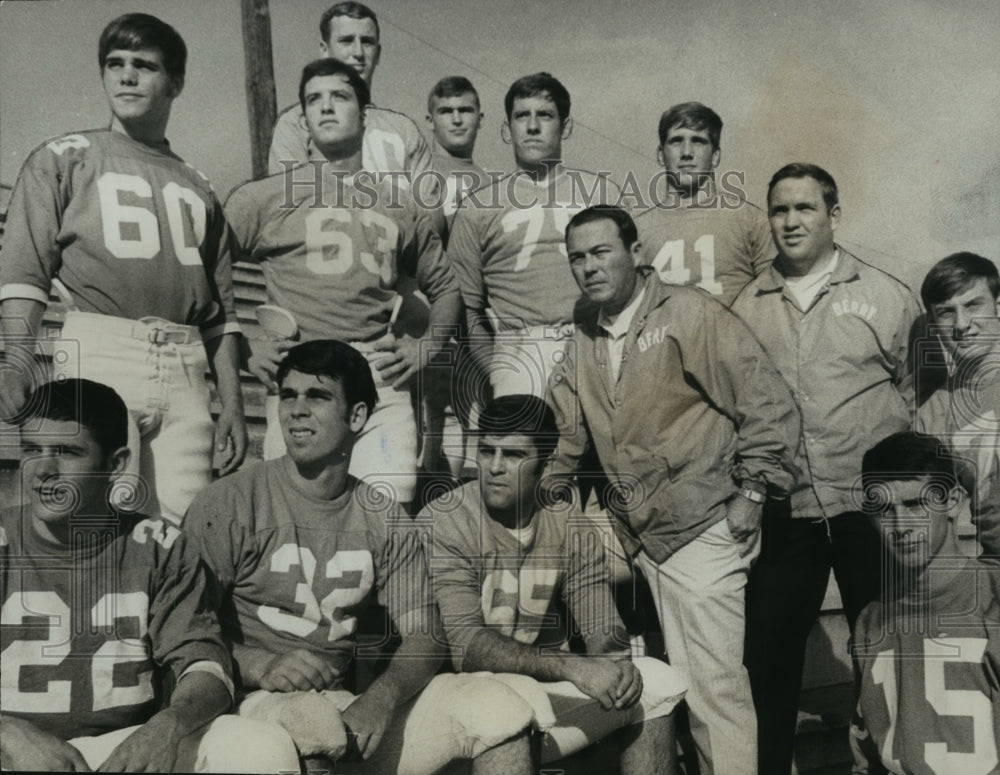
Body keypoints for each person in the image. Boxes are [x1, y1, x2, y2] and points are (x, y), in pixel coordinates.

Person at [185, 340, 556, 773]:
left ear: (358, 417)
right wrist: (261, 665)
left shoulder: (382, 515)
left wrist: (381, 698)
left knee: (499, 711)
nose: (296, 410)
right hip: (248, 706)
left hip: (344, 704)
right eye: (288, 395)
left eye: (317, 396)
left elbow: (425, 635)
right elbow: (184, 631)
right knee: (314, 726)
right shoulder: (228, 503)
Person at [547, 205, 800, 775]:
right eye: (577, 258)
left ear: (636, 253)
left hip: (701, 524)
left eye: (600, 252)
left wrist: (753, 493)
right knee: (540, 556)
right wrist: (531, 503)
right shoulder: (585, 333)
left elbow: (767, 404)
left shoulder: (687, 311)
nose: (588, 267)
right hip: (631, 530)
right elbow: (564, 435)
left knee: (715, 692)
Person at [0, 13, 246, 525]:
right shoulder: (64, 157)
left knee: (182, 528)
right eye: (115, 64)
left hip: (184, 363)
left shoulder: (198, 183)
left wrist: (235, 404)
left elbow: (220, 312)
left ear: (175, 82)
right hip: (102, 348)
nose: (127, 76)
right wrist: (17, 360)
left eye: (144, 65)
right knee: (92, 521)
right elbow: (26, 272)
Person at [0, 379, 297, 773]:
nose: (42, 471)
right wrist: (8, 733)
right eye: (32, 450)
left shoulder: (159, 546)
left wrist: (166, 728)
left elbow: (204, 664)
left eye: (67, 452)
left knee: (259, 747)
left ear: (117, 463)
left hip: (122, 747)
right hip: (13, 749)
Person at [732, 163, 921, 774]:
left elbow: (918, 392)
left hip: (871, 511)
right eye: (780, 210)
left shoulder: (885, 293)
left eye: (805, 208)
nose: (791, 221)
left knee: (885, 650)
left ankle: (893, 764)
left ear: (833, 216)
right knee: (769, 654)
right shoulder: (746, 305)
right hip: (789, 510)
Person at [225, 58, 460, 508]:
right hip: (302, 368)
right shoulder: (265, 195)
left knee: (388, 511)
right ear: (303, 117)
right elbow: (204, 268)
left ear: (364, 113)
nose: (326, 107)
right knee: (298, 516)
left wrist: (425, 347)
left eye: (340, 96)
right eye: (314, 99)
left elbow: (447, 288)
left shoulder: (398, 203)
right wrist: (243, 347)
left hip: (376, 370)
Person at [426, 393, 687, 773]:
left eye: (513, 456)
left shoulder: (568, 522)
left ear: (546, 465)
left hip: (529, 690)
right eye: (486, 452)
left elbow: (601, 623)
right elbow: (465, 648)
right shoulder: (445, 518)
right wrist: (575, 667)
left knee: (655, 683)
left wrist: (613, 663)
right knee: (501, 710)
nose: (494, 467)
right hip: (450, 702)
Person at [448, 72, 621, 399]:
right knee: (527, 449)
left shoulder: (604, 194)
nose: (532, 126)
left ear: (566, 127)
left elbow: (632, 284)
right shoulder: (477, 207)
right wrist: (496, 367)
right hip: (520, 347)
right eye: (521, 116)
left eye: (544, 115)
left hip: (596, 341)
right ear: (506, 128)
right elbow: (466, 306)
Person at [851, 430, 1000, 775]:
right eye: (885, 509)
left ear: (954, 501)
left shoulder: (992, 600)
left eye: (916, 504)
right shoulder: (871, 621)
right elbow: (864, 753)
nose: (901, 526)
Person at [267, 1, 430, 178]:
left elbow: (428, 202)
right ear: (325, 50)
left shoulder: (403, 129)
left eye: (367, 42)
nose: (358, 52)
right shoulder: (296, 123)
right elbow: (292, 200)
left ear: (378, 53)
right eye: (346, 41)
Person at [634, 102, 773, 306]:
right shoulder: (637, 231)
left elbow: (776, 299)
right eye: (676, 141)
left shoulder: (751, 220)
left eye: (698, 141)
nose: (687, 152)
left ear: (715, 156)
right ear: (660, 154)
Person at [916, 252, 1000, 557]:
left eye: (973, 305)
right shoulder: (934, 414)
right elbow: (927, 517)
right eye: (946, 312)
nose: (962, 324)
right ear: (932, 323)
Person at [425, 75, 487, 228]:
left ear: (480, 119)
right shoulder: (418, 170)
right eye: (446, 111)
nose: (457, 119)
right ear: (430, 121)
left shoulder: (491, 182)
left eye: (465, 110)